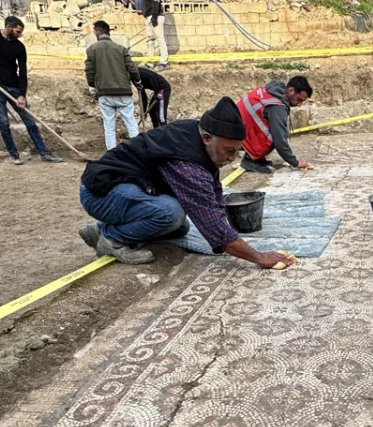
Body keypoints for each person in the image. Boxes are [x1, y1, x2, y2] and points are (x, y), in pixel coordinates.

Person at [77, 97, 295, 269]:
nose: (231, 159)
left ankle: (101, 229)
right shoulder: (186, 163)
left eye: (236, 152)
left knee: (179, 227)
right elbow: (212, 226)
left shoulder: (197, 134)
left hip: (128, 187)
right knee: (169, 214)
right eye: (228, 151)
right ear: (208, 138)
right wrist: (258, 257)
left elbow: (212, 187)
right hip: (101, 193)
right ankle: (111, 238)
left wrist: (220, 213)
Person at [0, 16, 63, 166]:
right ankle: (14, 155)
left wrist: (22, 94)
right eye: (18, 31)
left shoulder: (19, 47)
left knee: (29, 121)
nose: (20, 35)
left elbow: (22, 72)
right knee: (3, 122)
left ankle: (44, 153)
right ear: (9, 27)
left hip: (14, 87)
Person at [236, 76, 314, 175]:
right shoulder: (277, 106)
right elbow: (280, 141)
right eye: (299, 99)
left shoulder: (273, 90)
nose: (299, 104)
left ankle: (256, 158)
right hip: (236, 135)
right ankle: (250, 160)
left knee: (279, 128)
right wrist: (295, 162)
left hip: (237, 127)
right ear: (290, 90)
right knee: (279, 133)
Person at [85, 19, 142, 151]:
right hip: (123, 92)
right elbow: (132, 68)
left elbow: (89, 71)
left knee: (109, 127)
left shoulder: (91, 50)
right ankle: (138, 153)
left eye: (95, 31)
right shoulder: (121, 49)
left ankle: (111, 155)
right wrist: (137, 82)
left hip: (105, 93)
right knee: (131, 125)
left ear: (98, 32)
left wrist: (93, 87)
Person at [141, 0, 169, 70]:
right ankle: (150, 63)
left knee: (160, 39)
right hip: (148, 17)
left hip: (156, 16)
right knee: (150, 41)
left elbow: (155, 0)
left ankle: (164, 63)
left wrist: (154, 15)